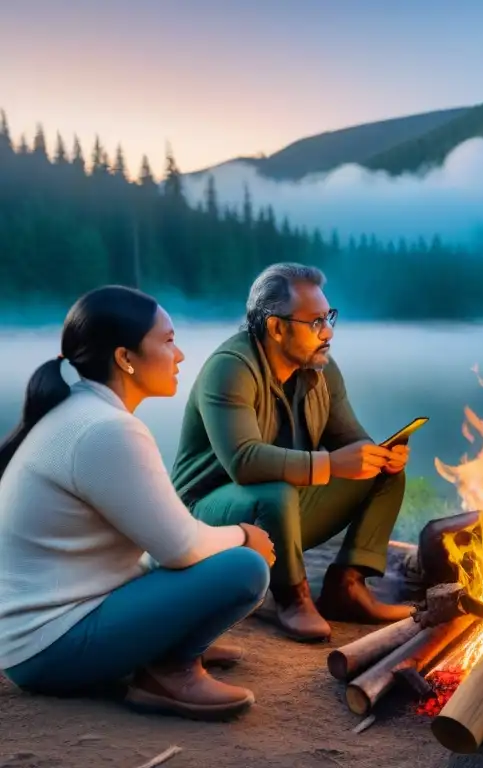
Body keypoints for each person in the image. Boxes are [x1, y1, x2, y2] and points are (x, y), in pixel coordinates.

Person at [0, 286, 276, 721]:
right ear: (126, 358)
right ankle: (169, 671)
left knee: (203, 557)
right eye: (167, 341)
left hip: (35, 638)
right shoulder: (105, 430)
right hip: (52, 649)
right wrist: (244, 535)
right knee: (245, 567)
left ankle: (169, 641)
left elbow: (157, 536)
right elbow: (180, 547)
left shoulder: (79, 412)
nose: (180, 354)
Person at [171, 263, 413, 644]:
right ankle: (292, 597)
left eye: (329, 318)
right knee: (276, 487)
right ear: (276, 327)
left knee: (383, 474)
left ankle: (346, 588)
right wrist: (332, 464)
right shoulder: (230, 368)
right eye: (315, 322)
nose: (328, 332)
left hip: (278, 513)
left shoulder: (320, 369)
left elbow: (351, 441)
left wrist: (379, 456)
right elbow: (244, 463)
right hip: (206, 520)